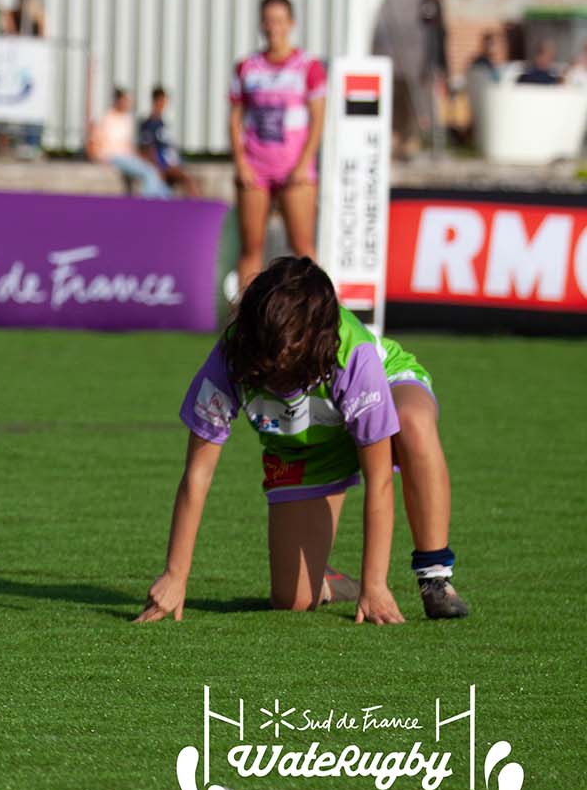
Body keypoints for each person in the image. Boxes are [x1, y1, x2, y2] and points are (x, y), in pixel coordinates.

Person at [136, 256, 470, 626]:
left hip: (384, 393)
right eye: (270, 358)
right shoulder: (229, 358)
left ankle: (435, 575)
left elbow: (379, 481)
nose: (279, 370)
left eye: (290, 357)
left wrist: (375, 585)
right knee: (291, 600)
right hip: (306, 444)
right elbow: (197, 474)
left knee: (413, 421)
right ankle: (327, 579)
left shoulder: (354, 356)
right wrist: (175, 575)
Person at [230, 0, 324, 292]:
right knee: (250, 249)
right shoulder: (247, 67)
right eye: (269, 21)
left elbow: (318, 120)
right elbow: (235, 118)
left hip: (294, 169)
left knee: (303, 248)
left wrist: (303, 164)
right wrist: (241, 162)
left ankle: (316, 318)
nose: (274, 27)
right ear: (262, 24)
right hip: (256, 167)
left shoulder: (308, 67)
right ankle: (245, 323)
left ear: (291, 23)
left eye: (280, 20)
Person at [87, 88, 171, 198]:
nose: (127, 103)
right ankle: (146, 204)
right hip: (112, 156)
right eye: (125, 100)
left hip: (126, 156)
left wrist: (140, 156)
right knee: (149, 173)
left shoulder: (127, 119)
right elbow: (93, 141)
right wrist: (96, 158)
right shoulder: (107, 119)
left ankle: (168, 199)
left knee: (155, 174)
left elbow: (128, 145)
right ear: (118, 101)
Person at [137, 87, 199, 197]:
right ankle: (197, 206)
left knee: (192, 180)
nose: (163, 105)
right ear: (155, 101)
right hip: (162, 164)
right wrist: (158, 167)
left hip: (171, 162)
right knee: (187, 180)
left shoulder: (163, 122)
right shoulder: (148, 123)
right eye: (161, 101)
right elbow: (148, 148)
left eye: (165, 102)